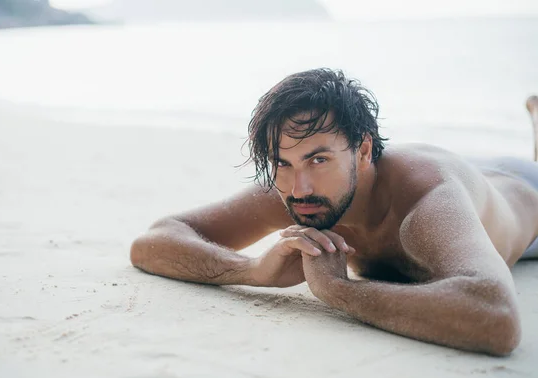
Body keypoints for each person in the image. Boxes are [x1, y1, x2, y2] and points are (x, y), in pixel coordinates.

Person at [130, 69, 538, 356]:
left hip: (525, 195)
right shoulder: (299, 189)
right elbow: (156, 240)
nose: (298, 187)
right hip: (476, 176)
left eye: (319, 160)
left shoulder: (425, 202)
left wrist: (338, 291)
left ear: (361, 151)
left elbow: (496, 316)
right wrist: (251, 270)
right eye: (282, 163)